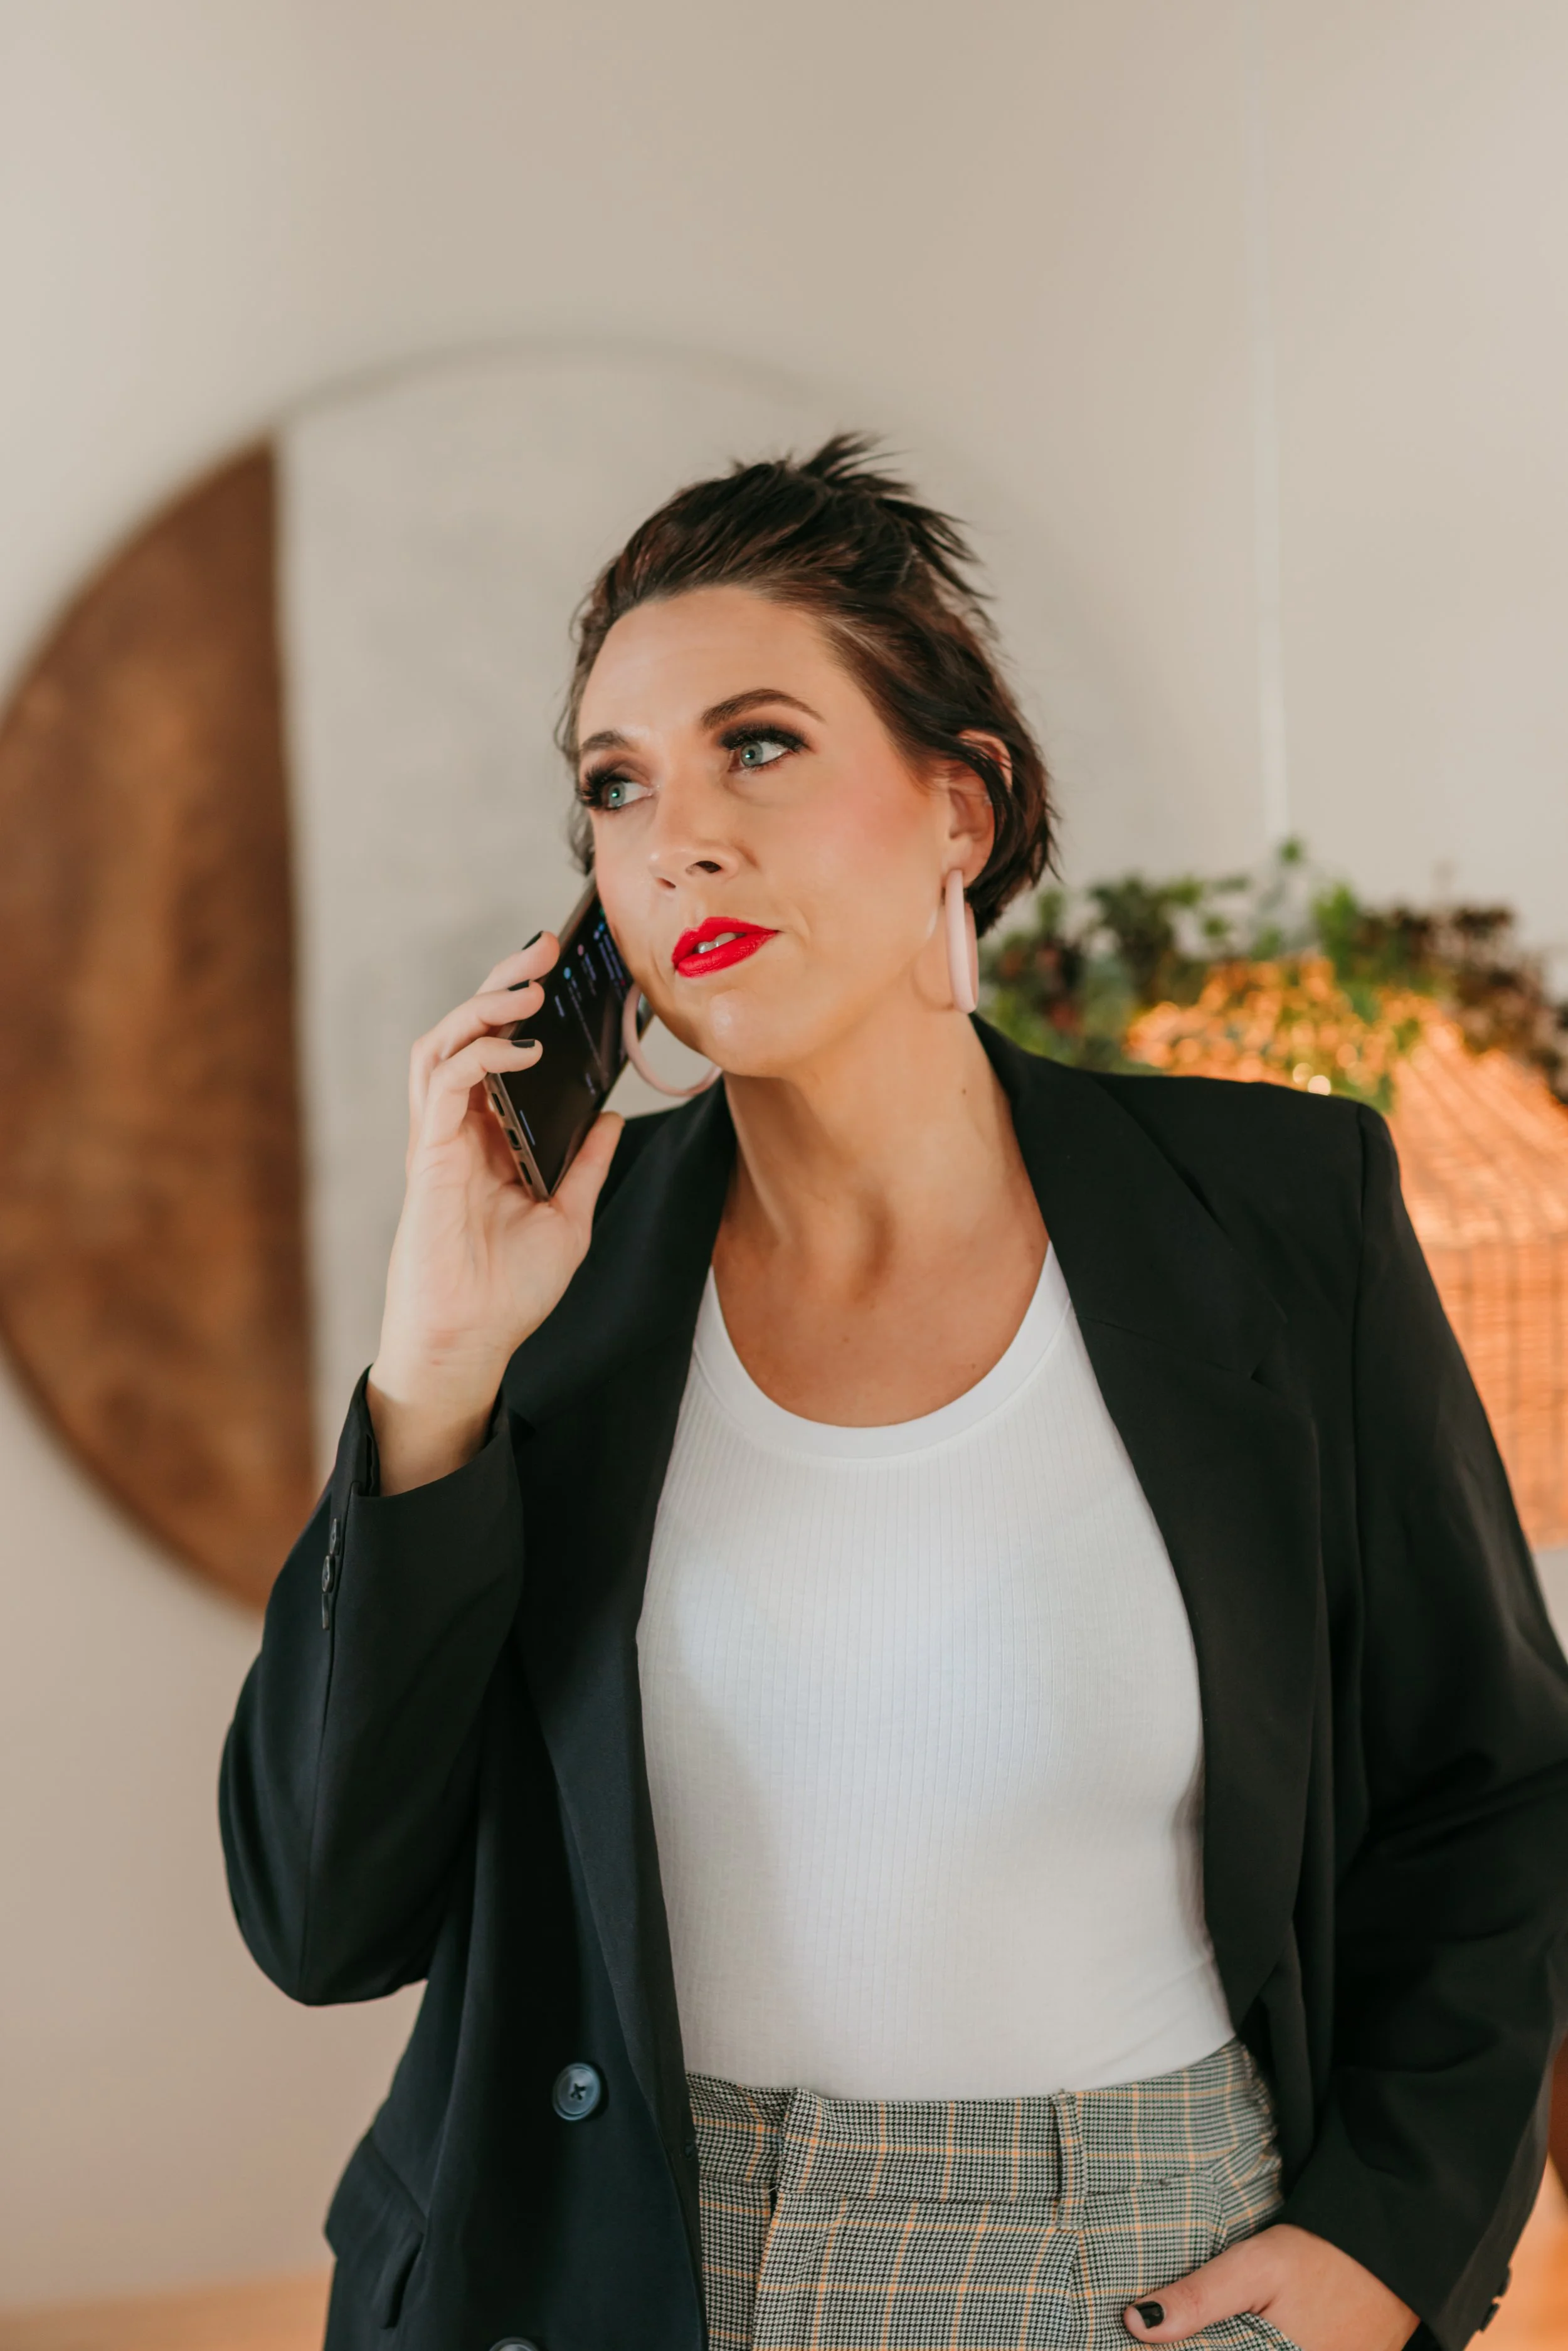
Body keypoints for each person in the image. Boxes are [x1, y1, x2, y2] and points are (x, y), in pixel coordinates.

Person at [220, 438, 1568, 2351]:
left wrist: (1384, 2247)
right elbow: (319, 1913)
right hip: (621, 2272)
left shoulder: (1276, 1213)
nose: (675, 831)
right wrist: (433, 1373)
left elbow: (1490, 1788)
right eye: (616, 785)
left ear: (960, 804)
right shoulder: (556, 1309)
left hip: (1136, 2253)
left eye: (755, 743)